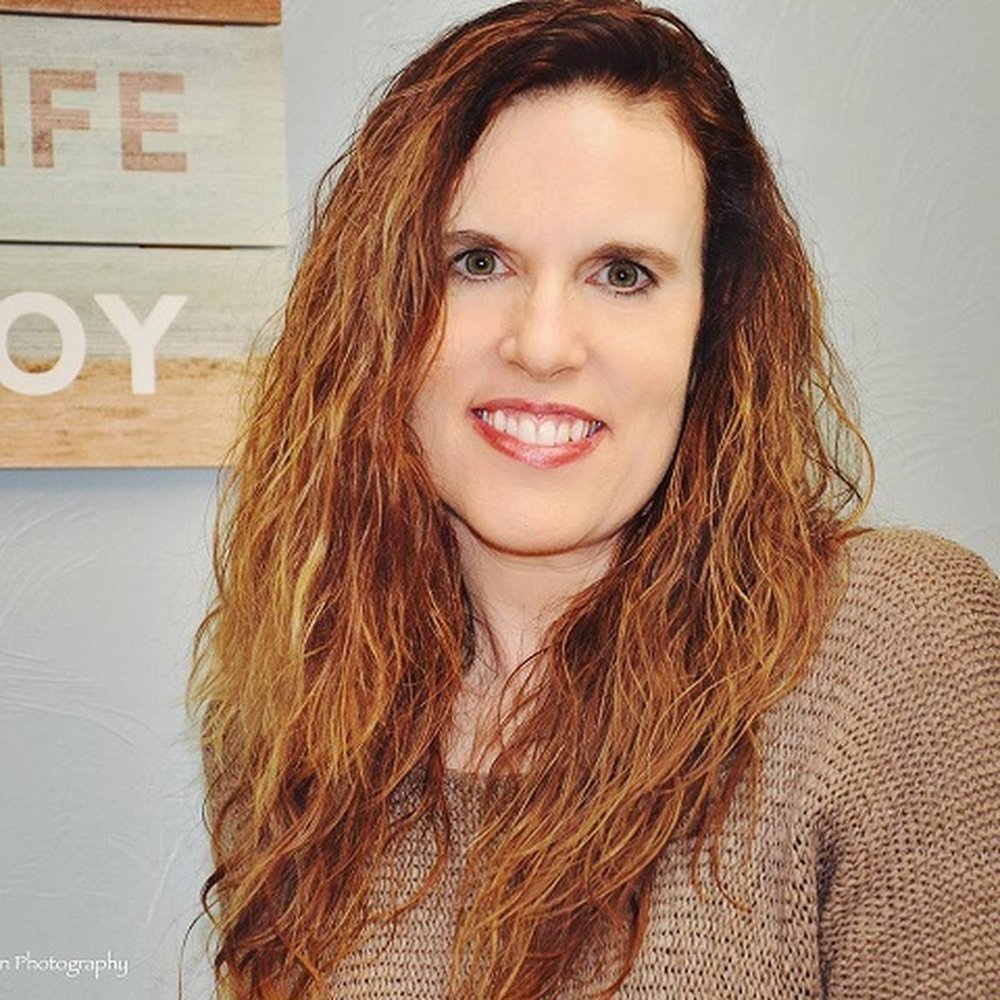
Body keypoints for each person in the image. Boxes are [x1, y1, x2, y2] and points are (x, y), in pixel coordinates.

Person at [187, 1, 999, 997]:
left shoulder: (886, 649)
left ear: (712, 325)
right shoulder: (297, 714)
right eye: (477, 261)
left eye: (621, 274)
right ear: (378, 309)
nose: (541, 344)